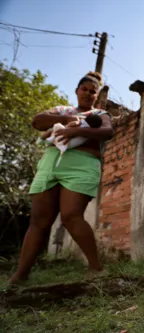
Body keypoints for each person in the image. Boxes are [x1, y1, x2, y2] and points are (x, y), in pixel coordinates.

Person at [8, 71, 114, 285]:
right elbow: (37, 121)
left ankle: (96, 267)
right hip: (50, 164)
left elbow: (107, 132)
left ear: (96, 96)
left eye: (92, 92)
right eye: (83, 89)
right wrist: (66, 119)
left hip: (82, 165)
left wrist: (75, 133)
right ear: (76, 91)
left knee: (71, 215)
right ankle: (20, 276)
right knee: (39, 221)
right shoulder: (62, 110)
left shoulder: (101, 113)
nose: (87, 94)